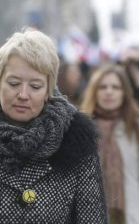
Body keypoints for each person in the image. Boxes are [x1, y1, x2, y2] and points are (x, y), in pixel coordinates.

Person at [0, 29, 108, 223]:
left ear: (49, 90)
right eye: (14, 83)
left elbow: (92, 217)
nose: (23, 94)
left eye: (35, 86)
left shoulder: (75, 140)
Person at [80, 64, 139, 224]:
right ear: (94, 92)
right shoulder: (81, 129)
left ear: (124, 93)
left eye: (115, 87)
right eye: (103, 87)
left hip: (130, 215)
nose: (109, 92)